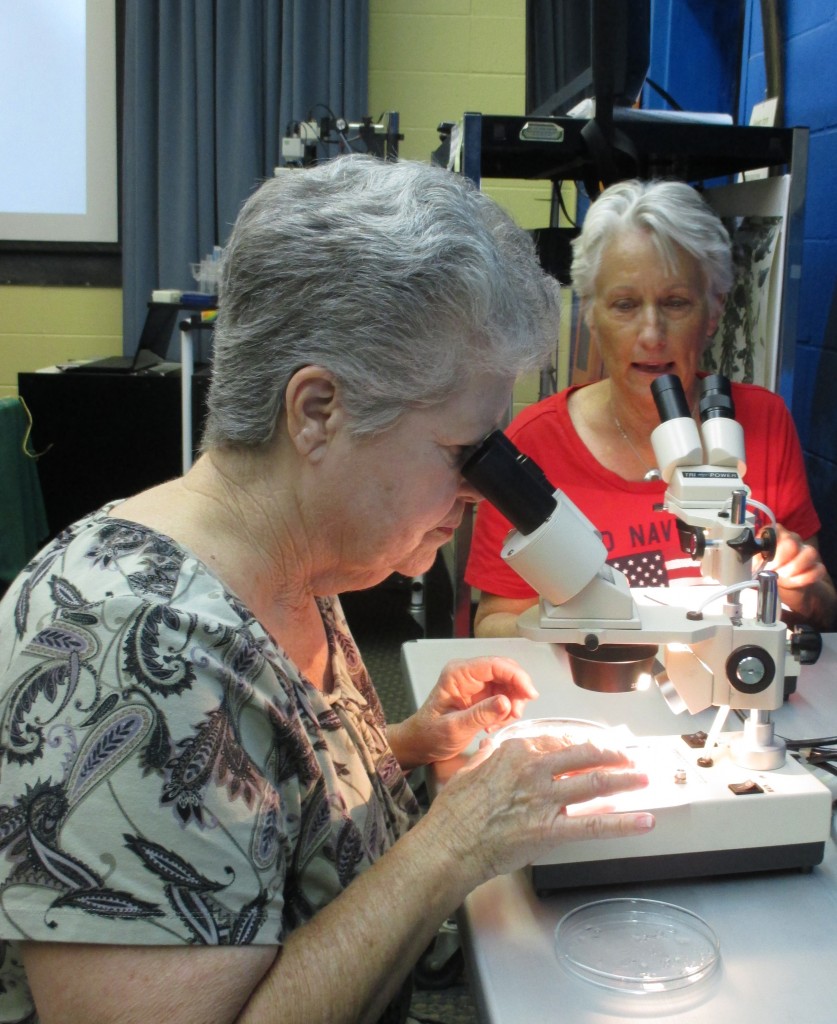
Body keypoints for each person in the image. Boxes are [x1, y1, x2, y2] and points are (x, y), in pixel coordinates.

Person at [0, 156, 656, 1024]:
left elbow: (231, 802)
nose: (476, 497)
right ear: (317, 411)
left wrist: (404, 744)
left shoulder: (288, 566)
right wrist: (453, 841)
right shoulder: (128, 643)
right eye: (465, 455)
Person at [467, 178, 837, 639]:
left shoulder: (763, 422)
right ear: (590, 314)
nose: (651, 334)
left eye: (675, 302)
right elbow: (492, 626)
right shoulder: (535, 442)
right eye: (625, 305)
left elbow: (823, 608)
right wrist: (598, 633)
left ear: (715, 310)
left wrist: (803, 589)